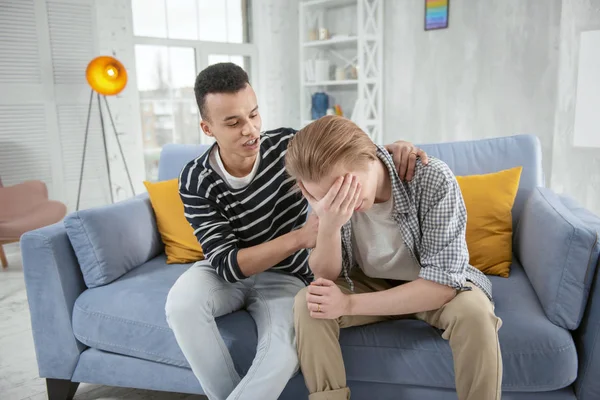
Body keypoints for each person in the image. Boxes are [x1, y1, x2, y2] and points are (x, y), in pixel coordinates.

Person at [164, 63, 429, 400]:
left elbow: (350, 150)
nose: (251, 130)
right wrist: (302, 237)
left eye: (254, 114)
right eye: (233, 123)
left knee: (282, 353)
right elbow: (228, 265)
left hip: (286, 276)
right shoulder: (196, 178)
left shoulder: (288, 146)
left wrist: (397, 147)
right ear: (207, 127)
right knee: (180, 306)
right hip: (224, 275)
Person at [286, 115, 502, 400]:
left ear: (370, 156)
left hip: (432, 283)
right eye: (321, 198)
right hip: (372, 282)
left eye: (341, 192)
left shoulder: (431, 177)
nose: (337, 204)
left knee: (475, 313)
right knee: (309, 302)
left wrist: (349, 303)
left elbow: (443, 284)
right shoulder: (326, 195)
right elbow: (325, 275)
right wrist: (329, 223)